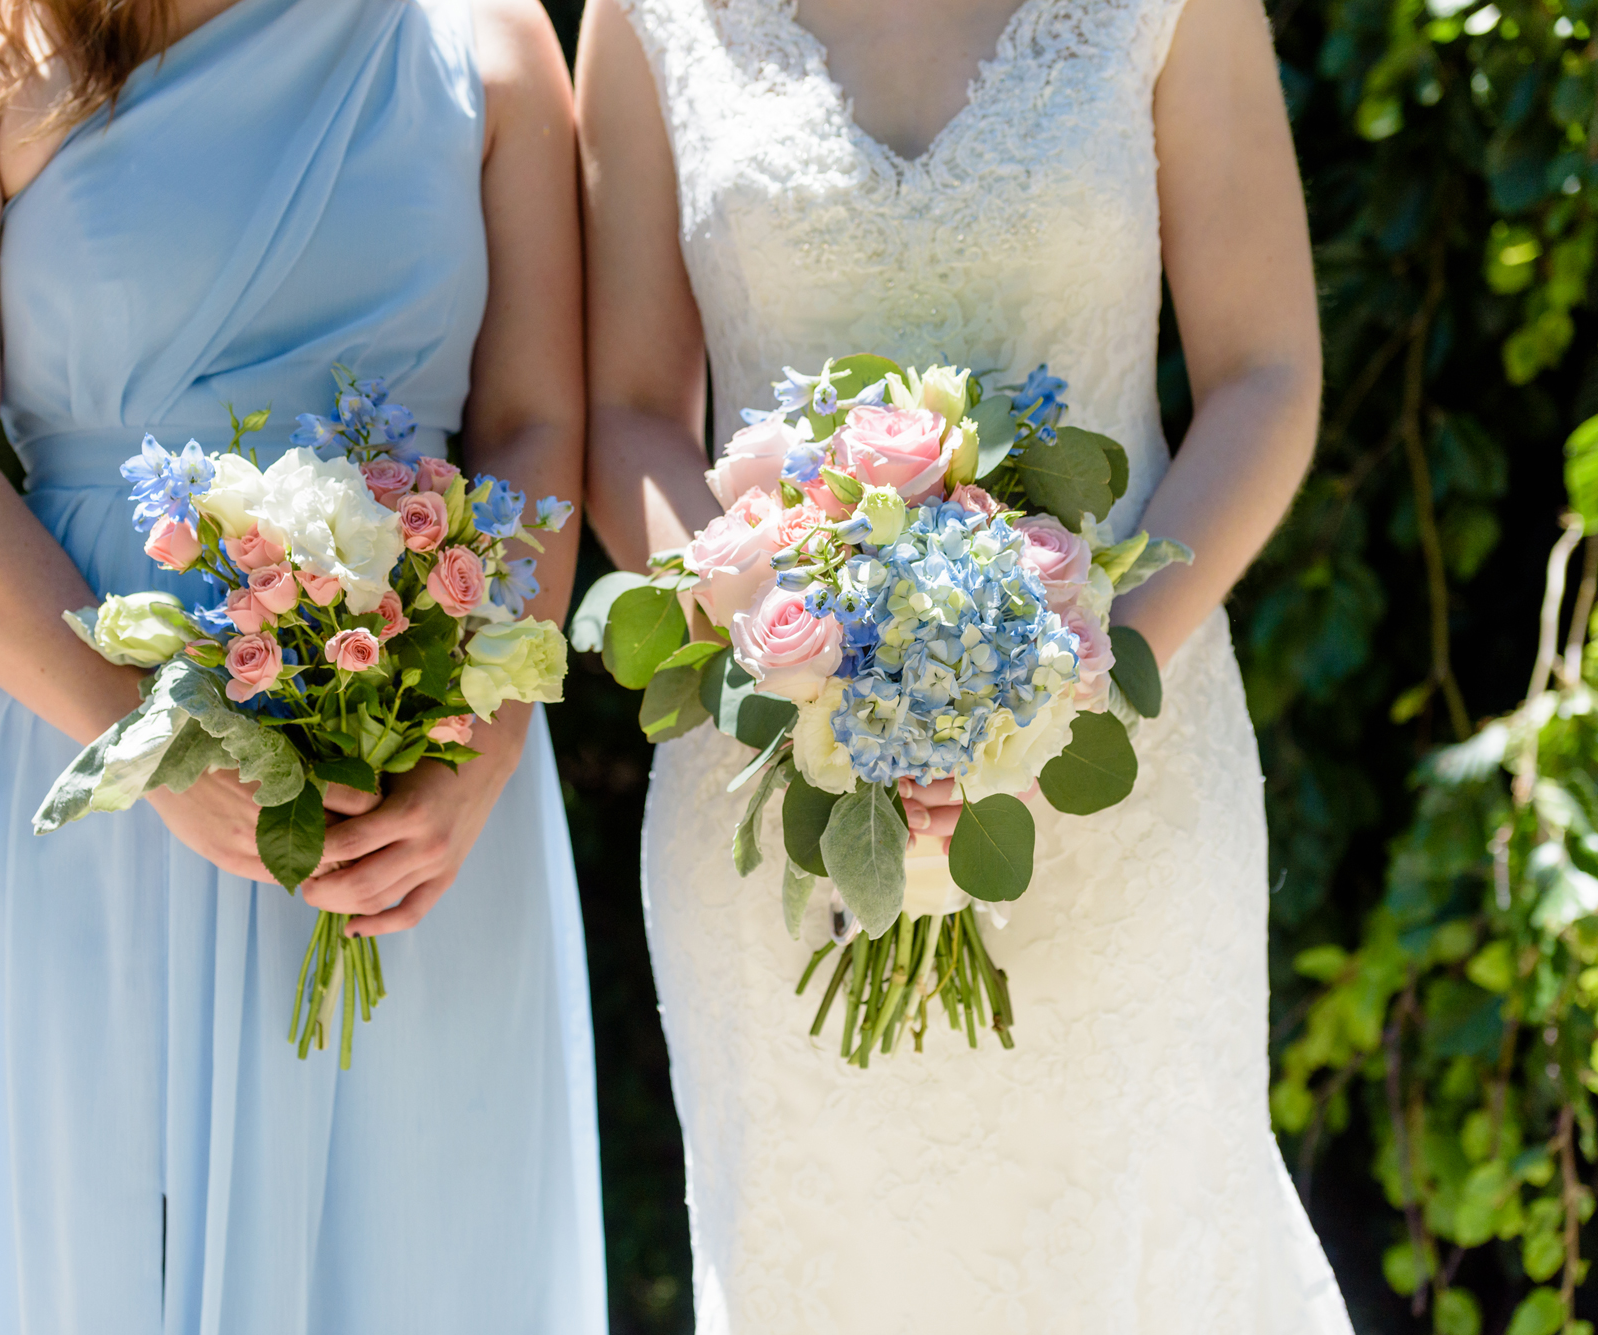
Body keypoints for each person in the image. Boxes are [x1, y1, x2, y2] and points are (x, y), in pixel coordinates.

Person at [577, 0, 1353, 1325]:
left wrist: (1063, 687)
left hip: (1121, 797)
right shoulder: (648, 16)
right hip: (780, 792)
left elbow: (1266, 375)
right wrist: (775, 656)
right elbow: (625, 411)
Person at [0, 0, 604, 1327]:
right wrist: (148, 743)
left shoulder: (487, 37)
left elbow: (536, 421)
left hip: (418, 776)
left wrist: (480, 746)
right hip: (89, 734)